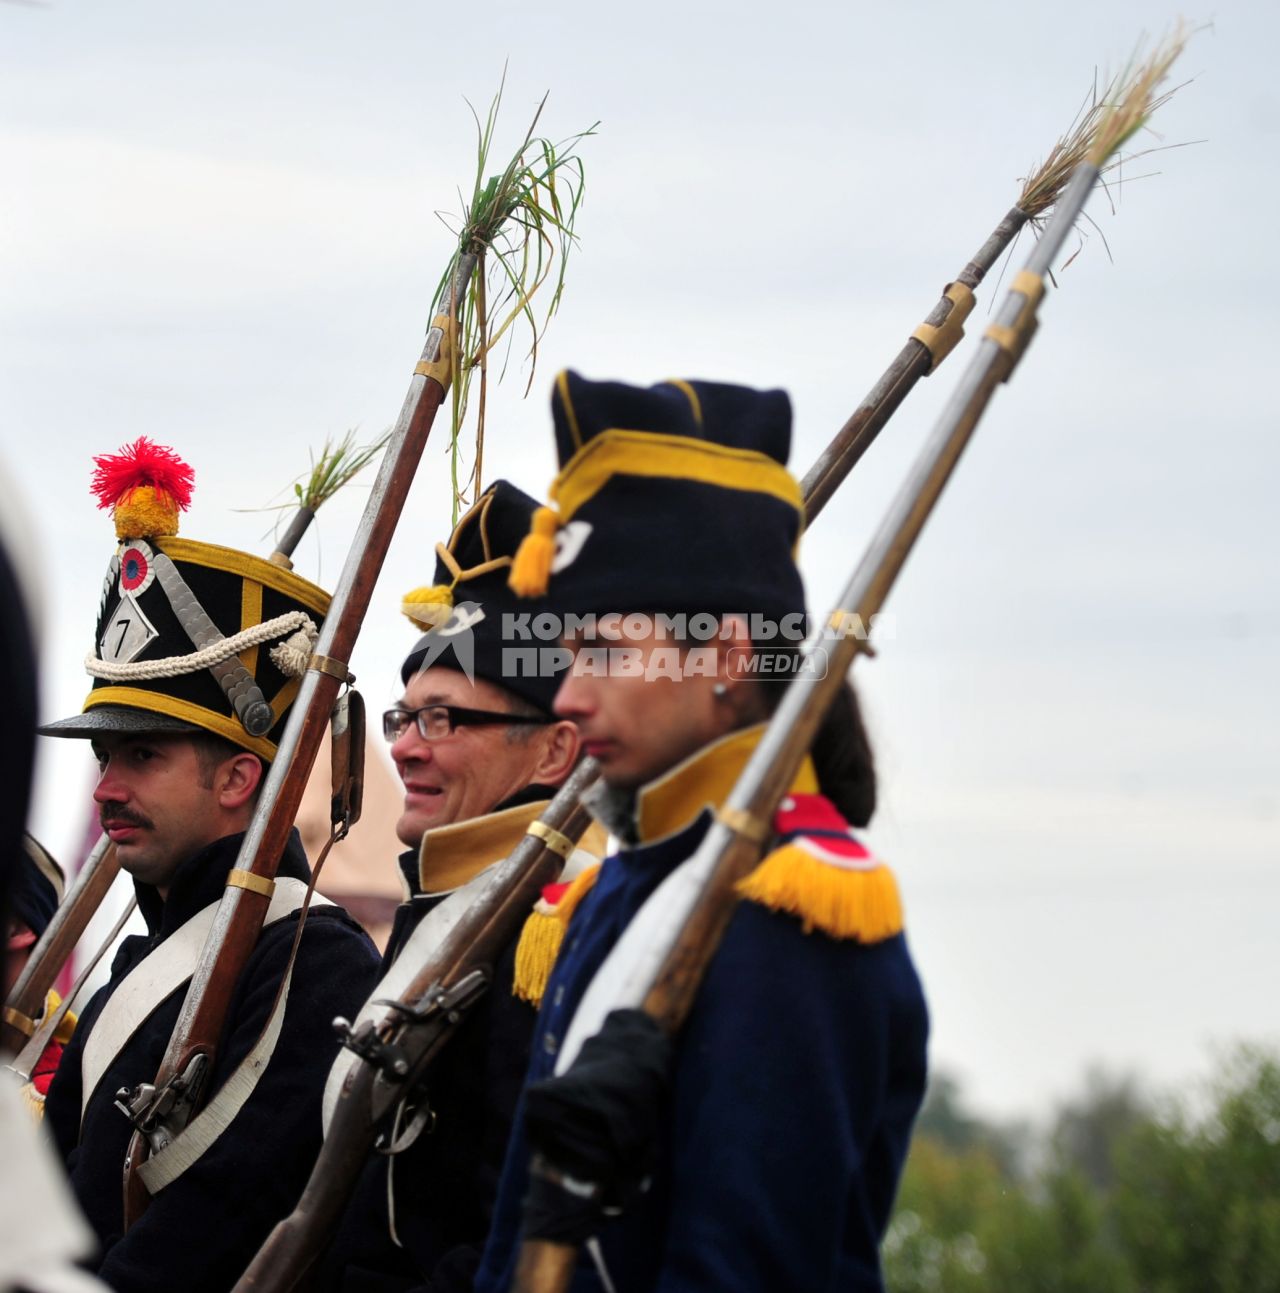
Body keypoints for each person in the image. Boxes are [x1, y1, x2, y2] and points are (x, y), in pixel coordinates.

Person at [475, 373, 930, 1292]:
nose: (567, 695)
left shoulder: (790, 906)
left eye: (602, 650)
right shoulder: (620, 886)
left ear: (724, 655)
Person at [37, 438, 381, 1292]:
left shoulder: (312, 958)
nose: (105, 790)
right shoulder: (144, 961)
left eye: (142, 756)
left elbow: (222, 1222)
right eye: (104, 760)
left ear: (238, 777)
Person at [314, 480, 604, 1292]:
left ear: (552, 754)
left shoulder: (551, 921)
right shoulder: (444, 906)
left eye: (442, 718)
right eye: (403, 717)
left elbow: (512, 1237)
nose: (405, 747)